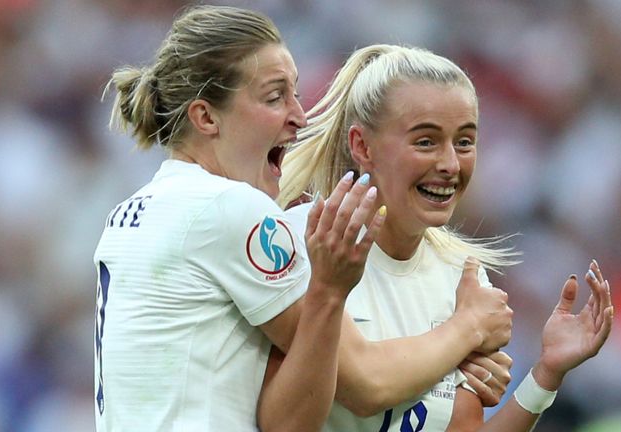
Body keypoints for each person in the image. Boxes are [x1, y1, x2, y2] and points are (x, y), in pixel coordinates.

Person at [94, 6, 515, 432]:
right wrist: (468, 328)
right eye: (275, 97)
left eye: (294, 93)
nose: (299, 115)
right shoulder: (234, 210)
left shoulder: (127, 214)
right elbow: (364, 383)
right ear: (205, 117)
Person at [276, 44, 614, 431]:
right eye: (426, 142)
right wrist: (466, 329)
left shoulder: (462, 278)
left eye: (465, 142)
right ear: (362, 146)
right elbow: (365, 388)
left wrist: (544, 376)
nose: (451, 164)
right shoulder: (302, 242)